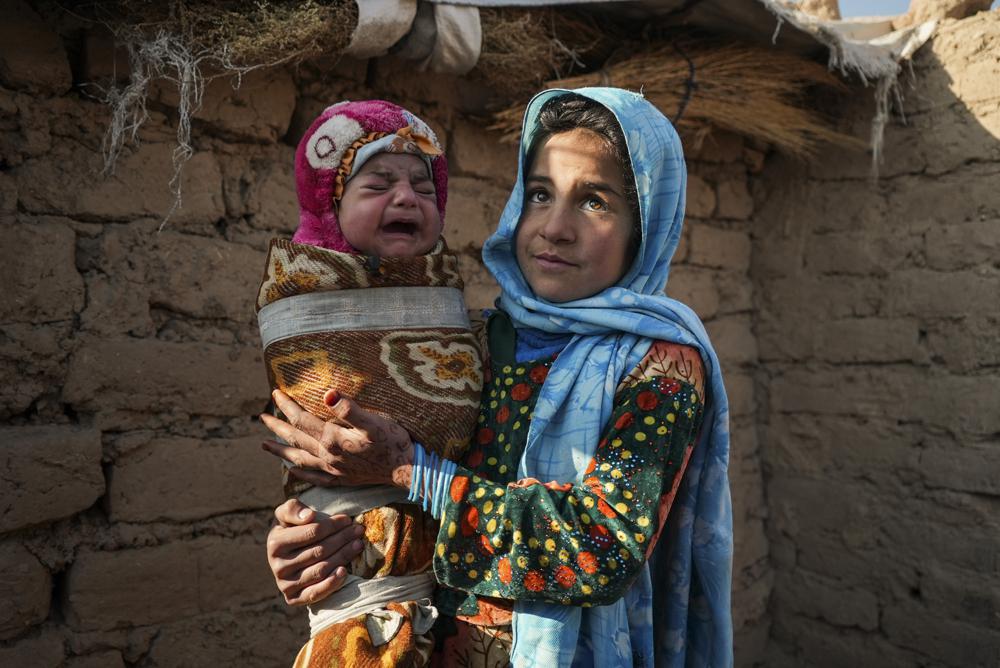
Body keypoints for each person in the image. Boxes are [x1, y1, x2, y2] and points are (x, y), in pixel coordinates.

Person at [262, 87, 734, 667]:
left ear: (646, 226)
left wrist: (410, 470)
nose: (554, 227)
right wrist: (313, 541)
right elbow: (376, 490)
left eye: (594, 201)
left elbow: (600, 548)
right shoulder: (470, 342)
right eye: (540, 194)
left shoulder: (661, 369)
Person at [256, 99, 483, 667]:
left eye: (424, 188)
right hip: (359, 581)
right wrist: (296, 528)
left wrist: (404, 466)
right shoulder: (307, 298)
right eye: (378, 184)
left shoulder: (471, 322)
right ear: (329, 208)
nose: (406, 198)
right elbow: (324, 427)